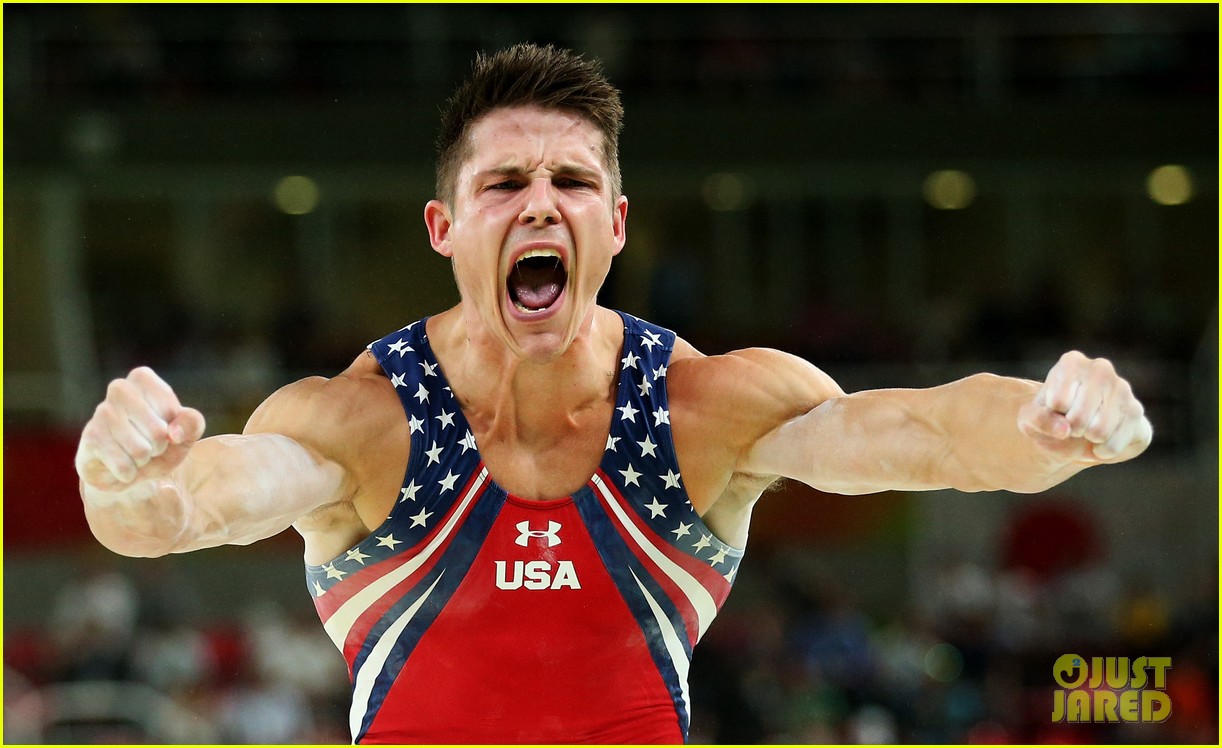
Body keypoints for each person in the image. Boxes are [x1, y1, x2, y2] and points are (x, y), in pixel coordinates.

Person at [75, 43, 1153, 744]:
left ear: (616, 223)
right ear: (445, 229)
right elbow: (193, 503)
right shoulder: (364, 422)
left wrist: (1050, 424)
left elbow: (924, 431)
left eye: (572, 182)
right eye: (503, 184)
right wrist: (122, 476)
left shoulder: (703, 408)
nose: (540, 207)